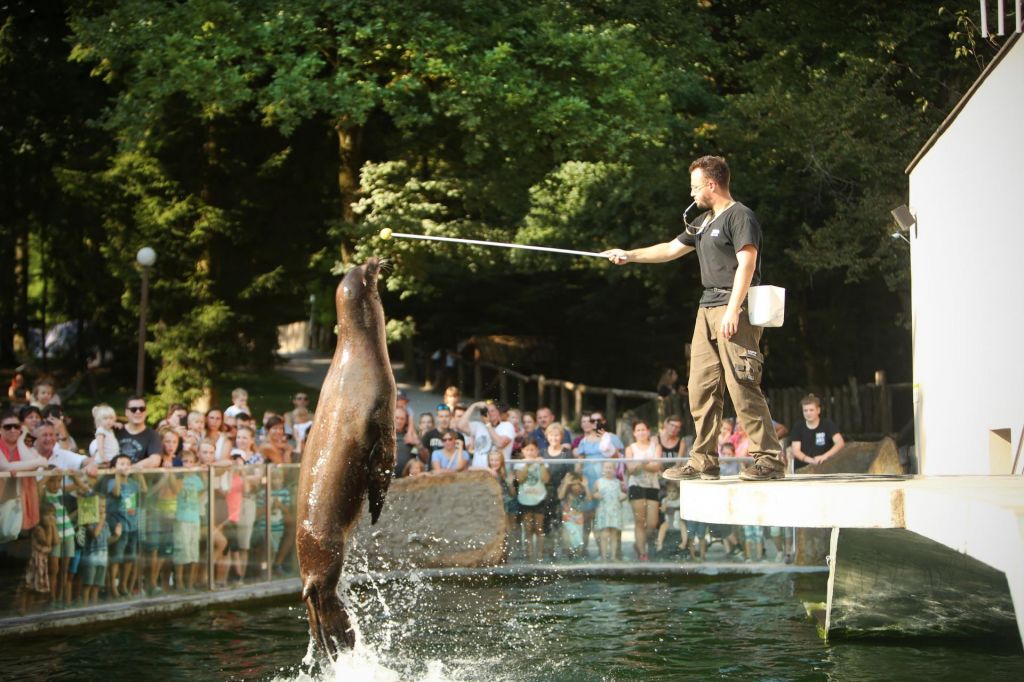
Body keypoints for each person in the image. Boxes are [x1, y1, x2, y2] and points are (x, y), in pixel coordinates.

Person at [604, 155, 785, 481]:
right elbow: (670, 250)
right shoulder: (702, 222)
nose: (692, 194)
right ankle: (703, 460)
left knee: (742, 384)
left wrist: (732, 308)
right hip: (706, 309)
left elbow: (747, 264)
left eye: (695, 187)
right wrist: (628, 255)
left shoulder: (740, 216)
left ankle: (769, 460)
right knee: (700, 389)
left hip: (736, 309)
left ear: (712, 185)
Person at [1, 409, 46, 536]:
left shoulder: (25, 446)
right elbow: (5, 467)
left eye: (16, 427)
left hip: (22, 499)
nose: (13, 430)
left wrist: (20, 441)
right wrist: (38, 462)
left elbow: (32, 466)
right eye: (8, 427)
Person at [106, 454, 143, 598]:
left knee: (130, 557)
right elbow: (115, 492)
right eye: (120, 464)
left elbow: (143, 490)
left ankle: (123, 584)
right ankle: (112, 587)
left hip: (132, 524)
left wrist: (139, 471)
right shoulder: (111, 482)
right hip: (119, 525)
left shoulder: (133, 483)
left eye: (127, 464)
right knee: (117, 556)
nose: (124, 466)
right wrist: (118, 475)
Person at [625, 420, 663, 561]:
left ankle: (638, 543)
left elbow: (657, 467)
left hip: (652, 486)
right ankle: (642, 553)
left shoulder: (655, 446)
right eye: (638, 430)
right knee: (639, 521)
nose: (641, 432)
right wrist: (645, 463)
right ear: (634, 433)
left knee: (652, 523)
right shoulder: (630, 449)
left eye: (643, 429)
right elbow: (630, 470)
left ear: (648, 431)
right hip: (636, 486)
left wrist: (640, 464)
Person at [171, 448, 205, 590]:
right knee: (181, 550)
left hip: (194, 518)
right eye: (185, 461)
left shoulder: (196, 479)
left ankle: (190, 583)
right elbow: (174, 491)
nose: (188, 464)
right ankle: (179, 582)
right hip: (181, 518)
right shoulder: (178, 477)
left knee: (193, 551)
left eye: (191, 461)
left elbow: (201, 492)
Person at [789, 393, 846, 469]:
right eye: (805, 410)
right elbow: (796, 450)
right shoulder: (798, 426)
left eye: (811, 410)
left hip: (825, 467)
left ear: (818, 410)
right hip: (802, 470)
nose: (808, 413)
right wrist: (811, 461)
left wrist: (824, 457)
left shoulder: (827, 424)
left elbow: (840, 443)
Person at [80, 496, 119, 606]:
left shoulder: (105, 524)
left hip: (102, 559)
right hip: (91, 559)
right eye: (99, 506)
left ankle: (93, 606)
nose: (102, 509)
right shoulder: (89, 522)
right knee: (88, 585)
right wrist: (101, 521)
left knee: (97, 585)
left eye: (104, 506)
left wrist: (116, 535)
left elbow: (107, 541)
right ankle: (84, 607)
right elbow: (95, 534)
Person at [515, 439, 549, 562]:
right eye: (527, 449)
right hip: (525, 500)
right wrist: (527, 465)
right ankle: (529, 556)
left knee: (539, 529)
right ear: (523, 451)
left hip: (539, 498)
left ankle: (540, 555)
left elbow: (545, 479)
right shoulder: (519, 464)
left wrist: (540, 465)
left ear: (537, 450)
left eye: (532, 449)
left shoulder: (541, 462)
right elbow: (520, 479)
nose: (530, 452)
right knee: (528, 529)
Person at [18, 502, 56, 613]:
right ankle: (22, 608)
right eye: (47, 514)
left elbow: (57, 541)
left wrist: (53, 528)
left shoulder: (46, 527)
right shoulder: (39, 529)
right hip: (35, 561)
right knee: (27, 586)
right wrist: (50, 527)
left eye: (52, 514)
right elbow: (48, 543)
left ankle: (28, 609)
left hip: (42, 561)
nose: (50, 517)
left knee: (34, 588)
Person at [457, 400, 515, 467]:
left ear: (498, 412)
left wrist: (488, 424)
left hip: (498, 472)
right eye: (486, 411)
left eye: (492, 411)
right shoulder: (478, 426)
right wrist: (473, 406)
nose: (489, 413)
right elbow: (460, 426)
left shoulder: (507, 426)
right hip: (478, 471)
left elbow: (500, 444)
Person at [592, 462, 625, 561]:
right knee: (604, 534)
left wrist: (623, 496)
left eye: (611, 468)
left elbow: (621, 495)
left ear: (614, 470)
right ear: (602, 469)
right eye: (606, 467)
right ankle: (604, 556)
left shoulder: (617, 482)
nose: (608, 470)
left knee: (614, 534)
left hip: (615, 510)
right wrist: (596, 495)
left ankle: (613, 556)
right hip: (604, 510)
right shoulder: (599, 481)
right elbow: (593, 494)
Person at [117, 397, 162, 468]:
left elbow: (155, 460)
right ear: (126, 412)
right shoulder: (116, 430)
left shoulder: (153, 435)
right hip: (112, 477)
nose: (138, 412)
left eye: (142, 409)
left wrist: (129, 469)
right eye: (133, 409)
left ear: (146, 412)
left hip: (139, 478)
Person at [558, 472, 591, 560]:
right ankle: (568, 557)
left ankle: (577, 557)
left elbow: (590, 498)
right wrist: (566, 483)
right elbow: (560, 496)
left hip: (579, 520)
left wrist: (586, 485)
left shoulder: (582, 494)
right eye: (573, 484)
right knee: (567, 539)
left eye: (578, 484)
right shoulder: (566, 493)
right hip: (567, 519)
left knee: (578, 541)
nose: (576, 486)